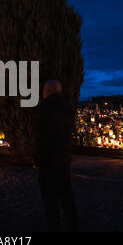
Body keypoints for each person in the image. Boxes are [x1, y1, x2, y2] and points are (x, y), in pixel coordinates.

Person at [34, 80, 78, 232]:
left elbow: (42, 138)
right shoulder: (67, 108)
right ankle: (73, 224)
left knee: (50, 199)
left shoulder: (44, 109)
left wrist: (38, 159)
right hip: (63, 158)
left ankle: (54, 227)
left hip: (48, 160)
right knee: (66, 194)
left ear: (46, 91)